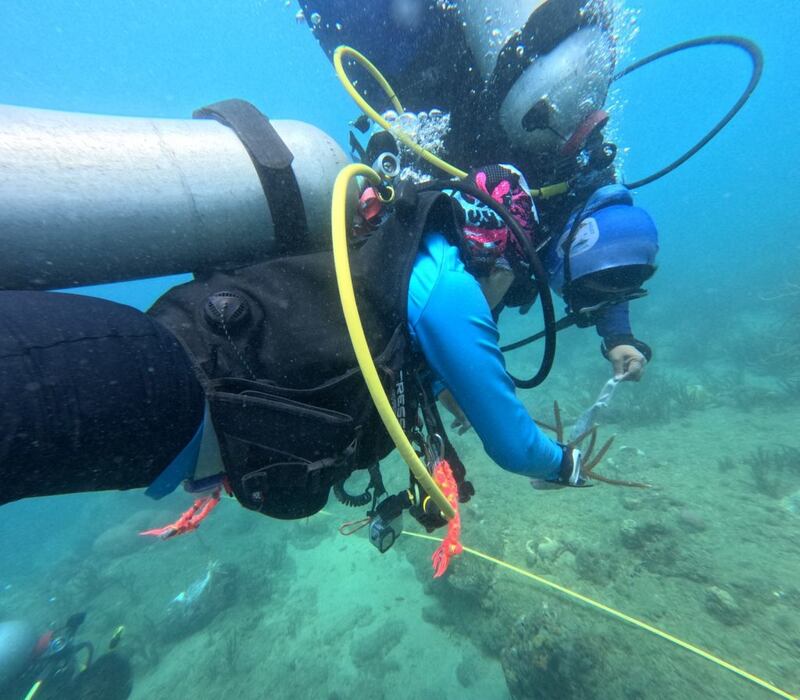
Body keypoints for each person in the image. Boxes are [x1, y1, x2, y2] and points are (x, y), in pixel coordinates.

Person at [0, 155, 658, 539]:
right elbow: (514, 447)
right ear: (502, 251)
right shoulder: (450, 286)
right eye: (518, 282)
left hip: (165, 388)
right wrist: (565, 465)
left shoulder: (408, 254)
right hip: (168, 385)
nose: (511, 300)